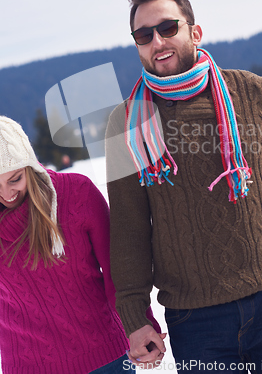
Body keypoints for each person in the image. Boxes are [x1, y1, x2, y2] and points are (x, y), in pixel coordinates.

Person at [105, 0, 262, 373]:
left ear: (194, 31)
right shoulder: (125, 124)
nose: (157, 41)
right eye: (144, 35)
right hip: (194, 319)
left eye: (168, 28)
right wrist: (134, 315)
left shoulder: (257, 95)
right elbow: (129, 227)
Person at [0, 115, 160, 374]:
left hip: (104, 358)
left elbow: (116, 271)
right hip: (27, 365)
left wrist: (140, 324)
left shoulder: (76, 195)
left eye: (15, 179)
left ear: (30, 166)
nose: (7, 195)